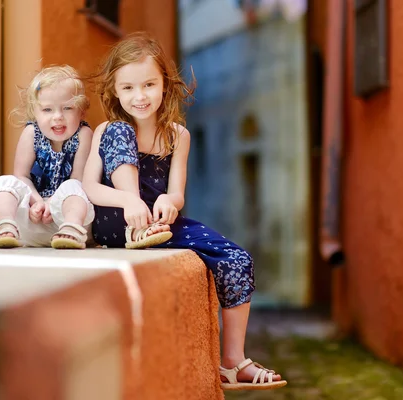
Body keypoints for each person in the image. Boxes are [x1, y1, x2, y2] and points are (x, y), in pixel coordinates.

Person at [82, 32, 287, 390]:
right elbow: (90, 188)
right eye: (128, 88)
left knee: (236, 259)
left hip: (157, 227)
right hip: (116, 220)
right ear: (115, 90)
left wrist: (167, 203)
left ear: (165, 84)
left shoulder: (178, 136)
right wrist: (130, 201)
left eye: (149, 84)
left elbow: (176, 194)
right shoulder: (108, 130)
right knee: (120, 132)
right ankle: (138, 224)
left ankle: (233, 363)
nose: (140, 96)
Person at [0, 65, 94, 249]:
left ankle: (72, 231)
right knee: (5, 183)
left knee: (74, 186)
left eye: (67, 108)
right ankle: (6, 226)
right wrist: (38, 202)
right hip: (34, 220)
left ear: (81, 111)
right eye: (47, 110)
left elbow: (79, 178)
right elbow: (22, 175)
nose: (57, 117)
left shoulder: (84, 134)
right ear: (34, 112)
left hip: (70, 218)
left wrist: (52, 203)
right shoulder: (31, 133)